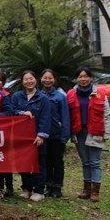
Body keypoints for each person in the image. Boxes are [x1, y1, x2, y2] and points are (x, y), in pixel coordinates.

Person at [66, 67, 110, 202]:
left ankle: (95, 191)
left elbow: (107, 114)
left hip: (95, 131)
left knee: (95, 162)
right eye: (80, 77)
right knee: (85, 162)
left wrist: (108, 133)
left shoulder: (100, 94)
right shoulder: (71, 94)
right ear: (76, 79)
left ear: (91, 78)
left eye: (86, 76)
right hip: (79, 132)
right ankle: (86, 189)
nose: (83, 79)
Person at [11, 70, 51, 202]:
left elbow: (46, 117)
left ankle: (39, 190)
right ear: (22, 82)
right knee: (23, 164)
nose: (29, 81)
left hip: (37, 137)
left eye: (31, 78)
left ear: (36, 79)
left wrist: (41, 135)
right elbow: (11, 111)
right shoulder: (17, 96)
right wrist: (21, 113)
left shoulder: (43, 98)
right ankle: (26, 188)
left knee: (39, 164)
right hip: (21, 137)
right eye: (26, 79)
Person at [40, 69, 70, 198]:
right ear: (41, 79)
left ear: (55, 80)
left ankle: (57, 187)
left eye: (50, 78)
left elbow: (65, 117)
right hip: (43, 135)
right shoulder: (39, 95)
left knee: (57, 162)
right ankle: (48, 186)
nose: (47, 80)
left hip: (56, 135)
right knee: (46, 162)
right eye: (45, 78)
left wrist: (64, 136)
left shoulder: (60, 96)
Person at [0, 70, 14, 195]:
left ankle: (9, 187)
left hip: (3, 131)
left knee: (5, 159)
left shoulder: (6, 95)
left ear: (3, 82)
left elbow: (10, 112)